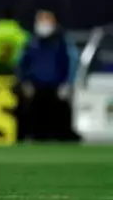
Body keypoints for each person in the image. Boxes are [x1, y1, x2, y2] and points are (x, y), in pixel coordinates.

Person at [16, 10, 79, 141]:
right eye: (41, 20)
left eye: (47, 20)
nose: (43, 24)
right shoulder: (30, 42)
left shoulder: (62, 42)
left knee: (57, 118)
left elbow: (70, 62)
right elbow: (22, 63)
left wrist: (68, 82)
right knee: (36, 118)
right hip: (36, 86)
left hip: (56, 87)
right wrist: (25, 81)